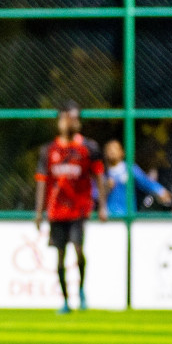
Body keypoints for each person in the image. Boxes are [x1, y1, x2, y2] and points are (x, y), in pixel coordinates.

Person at [34, 101, 106, 314]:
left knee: (78, 249)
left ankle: (81, 290)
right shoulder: (49, 150)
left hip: (79, 208)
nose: (70, 121)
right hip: (56, 211)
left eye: (73, 117)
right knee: (60, 256)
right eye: (66, 117)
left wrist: (102, 205)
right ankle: (65, 301)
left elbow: (99, 176)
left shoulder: (88, 148)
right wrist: (38, 212)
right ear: (59, 121)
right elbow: (41, 181)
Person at [102, 138, 172, 217]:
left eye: (115, 148)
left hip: (127, 214)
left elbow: (145, 182)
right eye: (109, 149)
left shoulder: (129, 169)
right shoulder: (102, 172)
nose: (112, 151)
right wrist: (105, 187)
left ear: (122, 152)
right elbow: (94, 192)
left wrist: (160, 190)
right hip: (108, 215)